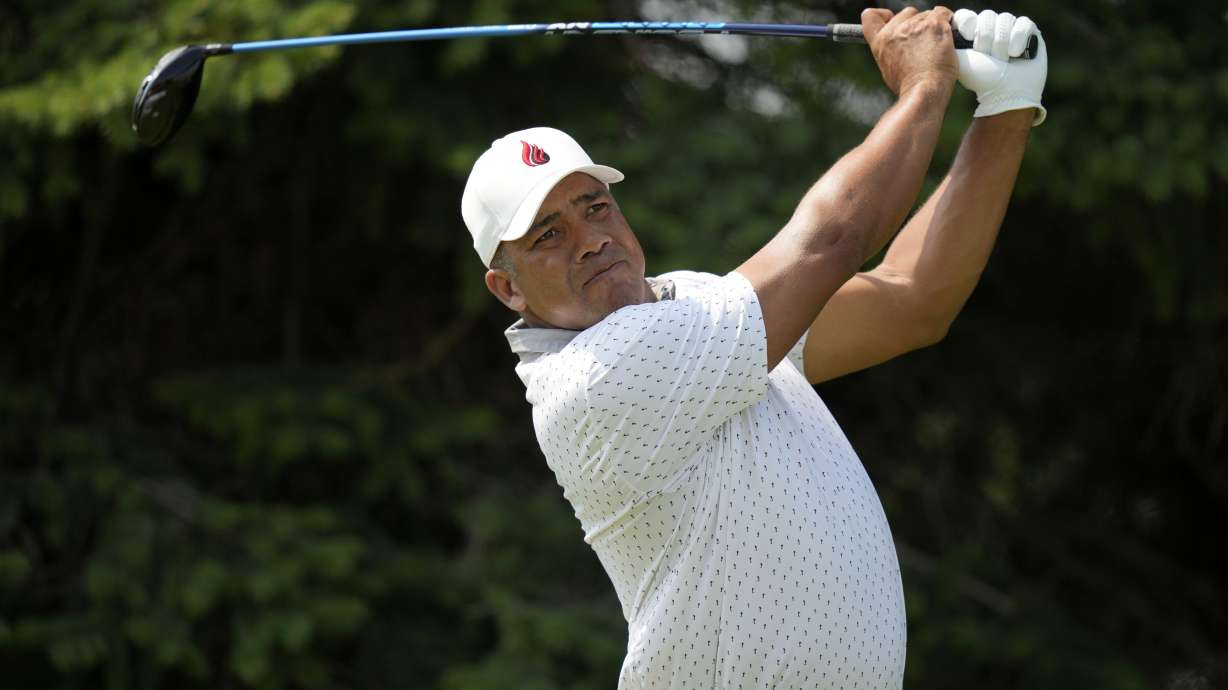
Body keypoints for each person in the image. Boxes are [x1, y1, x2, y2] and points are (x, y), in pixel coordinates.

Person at [460, 6, 1047, 689]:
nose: (590, 238)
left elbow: (911, 297)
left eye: (595, 207)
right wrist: (924, 87)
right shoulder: (596, 378)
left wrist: (1005, 108)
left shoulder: (692, 309)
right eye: (547, 235)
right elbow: (832, 241)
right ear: (508, 289)